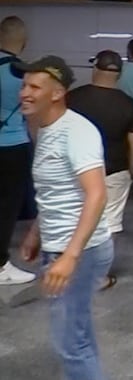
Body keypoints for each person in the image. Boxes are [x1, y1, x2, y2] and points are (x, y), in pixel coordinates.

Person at [14, 56, 114, 378]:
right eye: (23, 85)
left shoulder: (77, 132)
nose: (24, 93)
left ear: (56, 93)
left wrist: (70, 256)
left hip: (79, 251)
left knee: (70, 344)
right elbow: (58, 193)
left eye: (34, 86)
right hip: (61, 244)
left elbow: (96, 194)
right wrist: (35, 232)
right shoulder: (46, 128)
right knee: (77, 337)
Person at [67, 51, 133, 289]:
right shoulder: (128, 104)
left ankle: (70, 270)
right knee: (108, 225)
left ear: (94, 69)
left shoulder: (72, 99)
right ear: (119, 75)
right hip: (114, 170)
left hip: (76, 170)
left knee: (73, 219)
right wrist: (131, 172)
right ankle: (99, 277)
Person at [0, 16, 36, 286]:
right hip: (11, 146)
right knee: (6, 207)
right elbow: (33, 114)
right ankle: (1, 266)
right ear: (23, 41)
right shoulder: (21, 73)